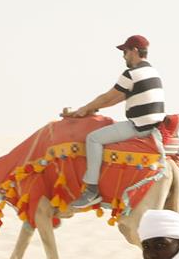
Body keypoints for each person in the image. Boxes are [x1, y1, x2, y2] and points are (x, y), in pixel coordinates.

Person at [59, 34, 168, 212]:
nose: (123, 56)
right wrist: (90, 109)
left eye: (125, 51)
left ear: (134, 51)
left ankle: (91, 190)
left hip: (139, 126)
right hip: (153, 126)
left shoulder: (132, 73)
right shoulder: (152, 71)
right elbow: (116, 99)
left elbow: (107, 97)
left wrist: (84, 110)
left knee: (93, 139)